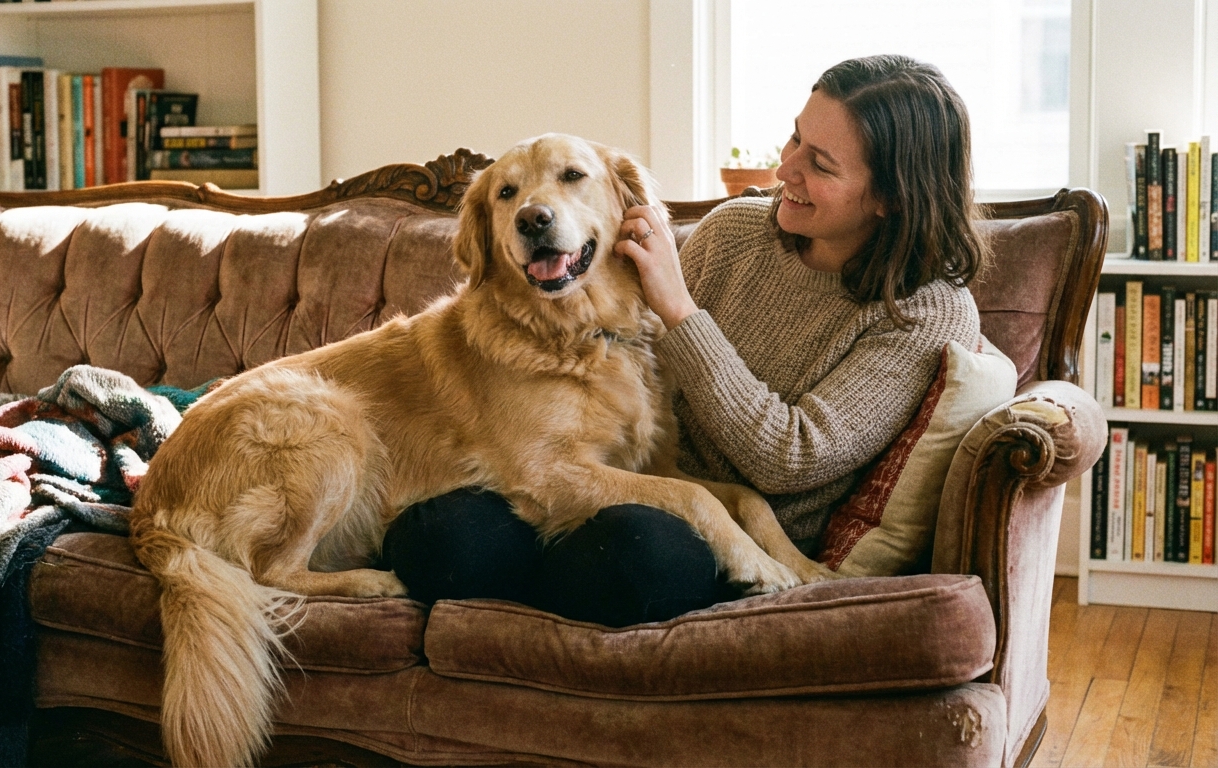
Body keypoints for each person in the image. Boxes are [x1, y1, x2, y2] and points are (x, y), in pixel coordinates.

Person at [382, 54, 988, 628]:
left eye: (820, 165)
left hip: (737, 539)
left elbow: (792, 455)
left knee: (638, 552)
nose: (785, 171)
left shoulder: (926, 312)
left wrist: (677, 308)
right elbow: (606, 361)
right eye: (795, 139)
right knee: (441, 532)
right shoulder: (737, 229)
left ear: (890, 198)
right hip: (627, 481)